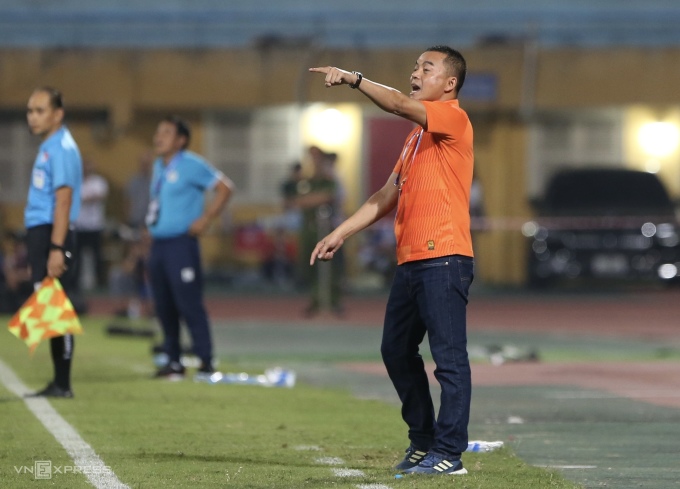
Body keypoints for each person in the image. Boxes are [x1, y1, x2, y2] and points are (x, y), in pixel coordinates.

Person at [309, 45, 474, 475]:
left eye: (427, 67)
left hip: (445, 256)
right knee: (396, 350)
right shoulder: (416, 138)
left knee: (449, 360)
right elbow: (385, 195)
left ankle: (451, 454)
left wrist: (354, 78)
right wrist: (339, 233)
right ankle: (423, 441)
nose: (415, 72)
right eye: (416, 66)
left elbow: (400, 104)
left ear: (449, 83)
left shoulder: (453, 118)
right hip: (412, 259)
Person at [147, 116, 234, 380]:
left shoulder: (192, 164)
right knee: (163, 305)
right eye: (158, 131)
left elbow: (225, 188)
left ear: (181, 140)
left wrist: (206, 219)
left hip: (181, 244)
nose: (159, 137)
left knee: (189, 303)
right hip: (159, 245)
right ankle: (174, 362)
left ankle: (206, 361)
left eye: (166, 132)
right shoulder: (158, 167)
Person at [23, 87, 83, 398]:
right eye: (30, 110)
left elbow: (63, 200)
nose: (32, 116)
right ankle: (59, 382)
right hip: (42, 232)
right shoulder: (50, 146)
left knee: (57, 309)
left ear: (57, 114)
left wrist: (56, 247)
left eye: (40, 110)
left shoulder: (61, 147)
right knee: (48, 310)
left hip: (52, 233)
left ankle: (64, 383)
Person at [74, 160, 109, 290]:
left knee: (97, 256)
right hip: (80, 226)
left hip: (95, 226)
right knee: (76, 257)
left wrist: (86, 199)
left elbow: (101, 196)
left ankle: (100, 284)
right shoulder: (76, 182)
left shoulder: (99, 182)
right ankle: (75, 284)